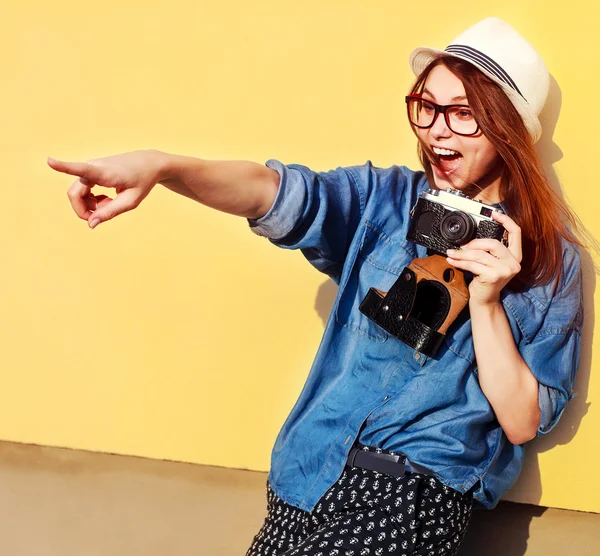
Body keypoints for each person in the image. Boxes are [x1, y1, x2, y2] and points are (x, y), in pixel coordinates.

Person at [48, 17, 583, 556]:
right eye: (428, 107)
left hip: (410, 493)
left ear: (507, 126)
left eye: (464, 114)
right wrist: (162, 167)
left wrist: (488, 303)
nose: (438, 129)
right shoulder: (384, 200)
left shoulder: (549, 260)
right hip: (306, 471)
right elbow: (272, 192)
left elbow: (521, 421)